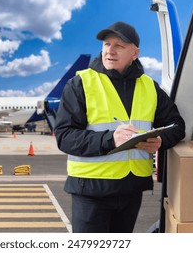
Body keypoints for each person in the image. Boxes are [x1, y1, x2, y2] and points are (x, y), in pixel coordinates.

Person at [54, 21, 185, 233]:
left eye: (119, 46)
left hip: (131, 190)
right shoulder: (81, 84)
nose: (110, 51)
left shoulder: (149, 86)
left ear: (135, 53)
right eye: (107, 44)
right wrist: (111, 139)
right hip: (91, 190)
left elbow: (177, 126)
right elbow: (65, 136)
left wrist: (160, 141)